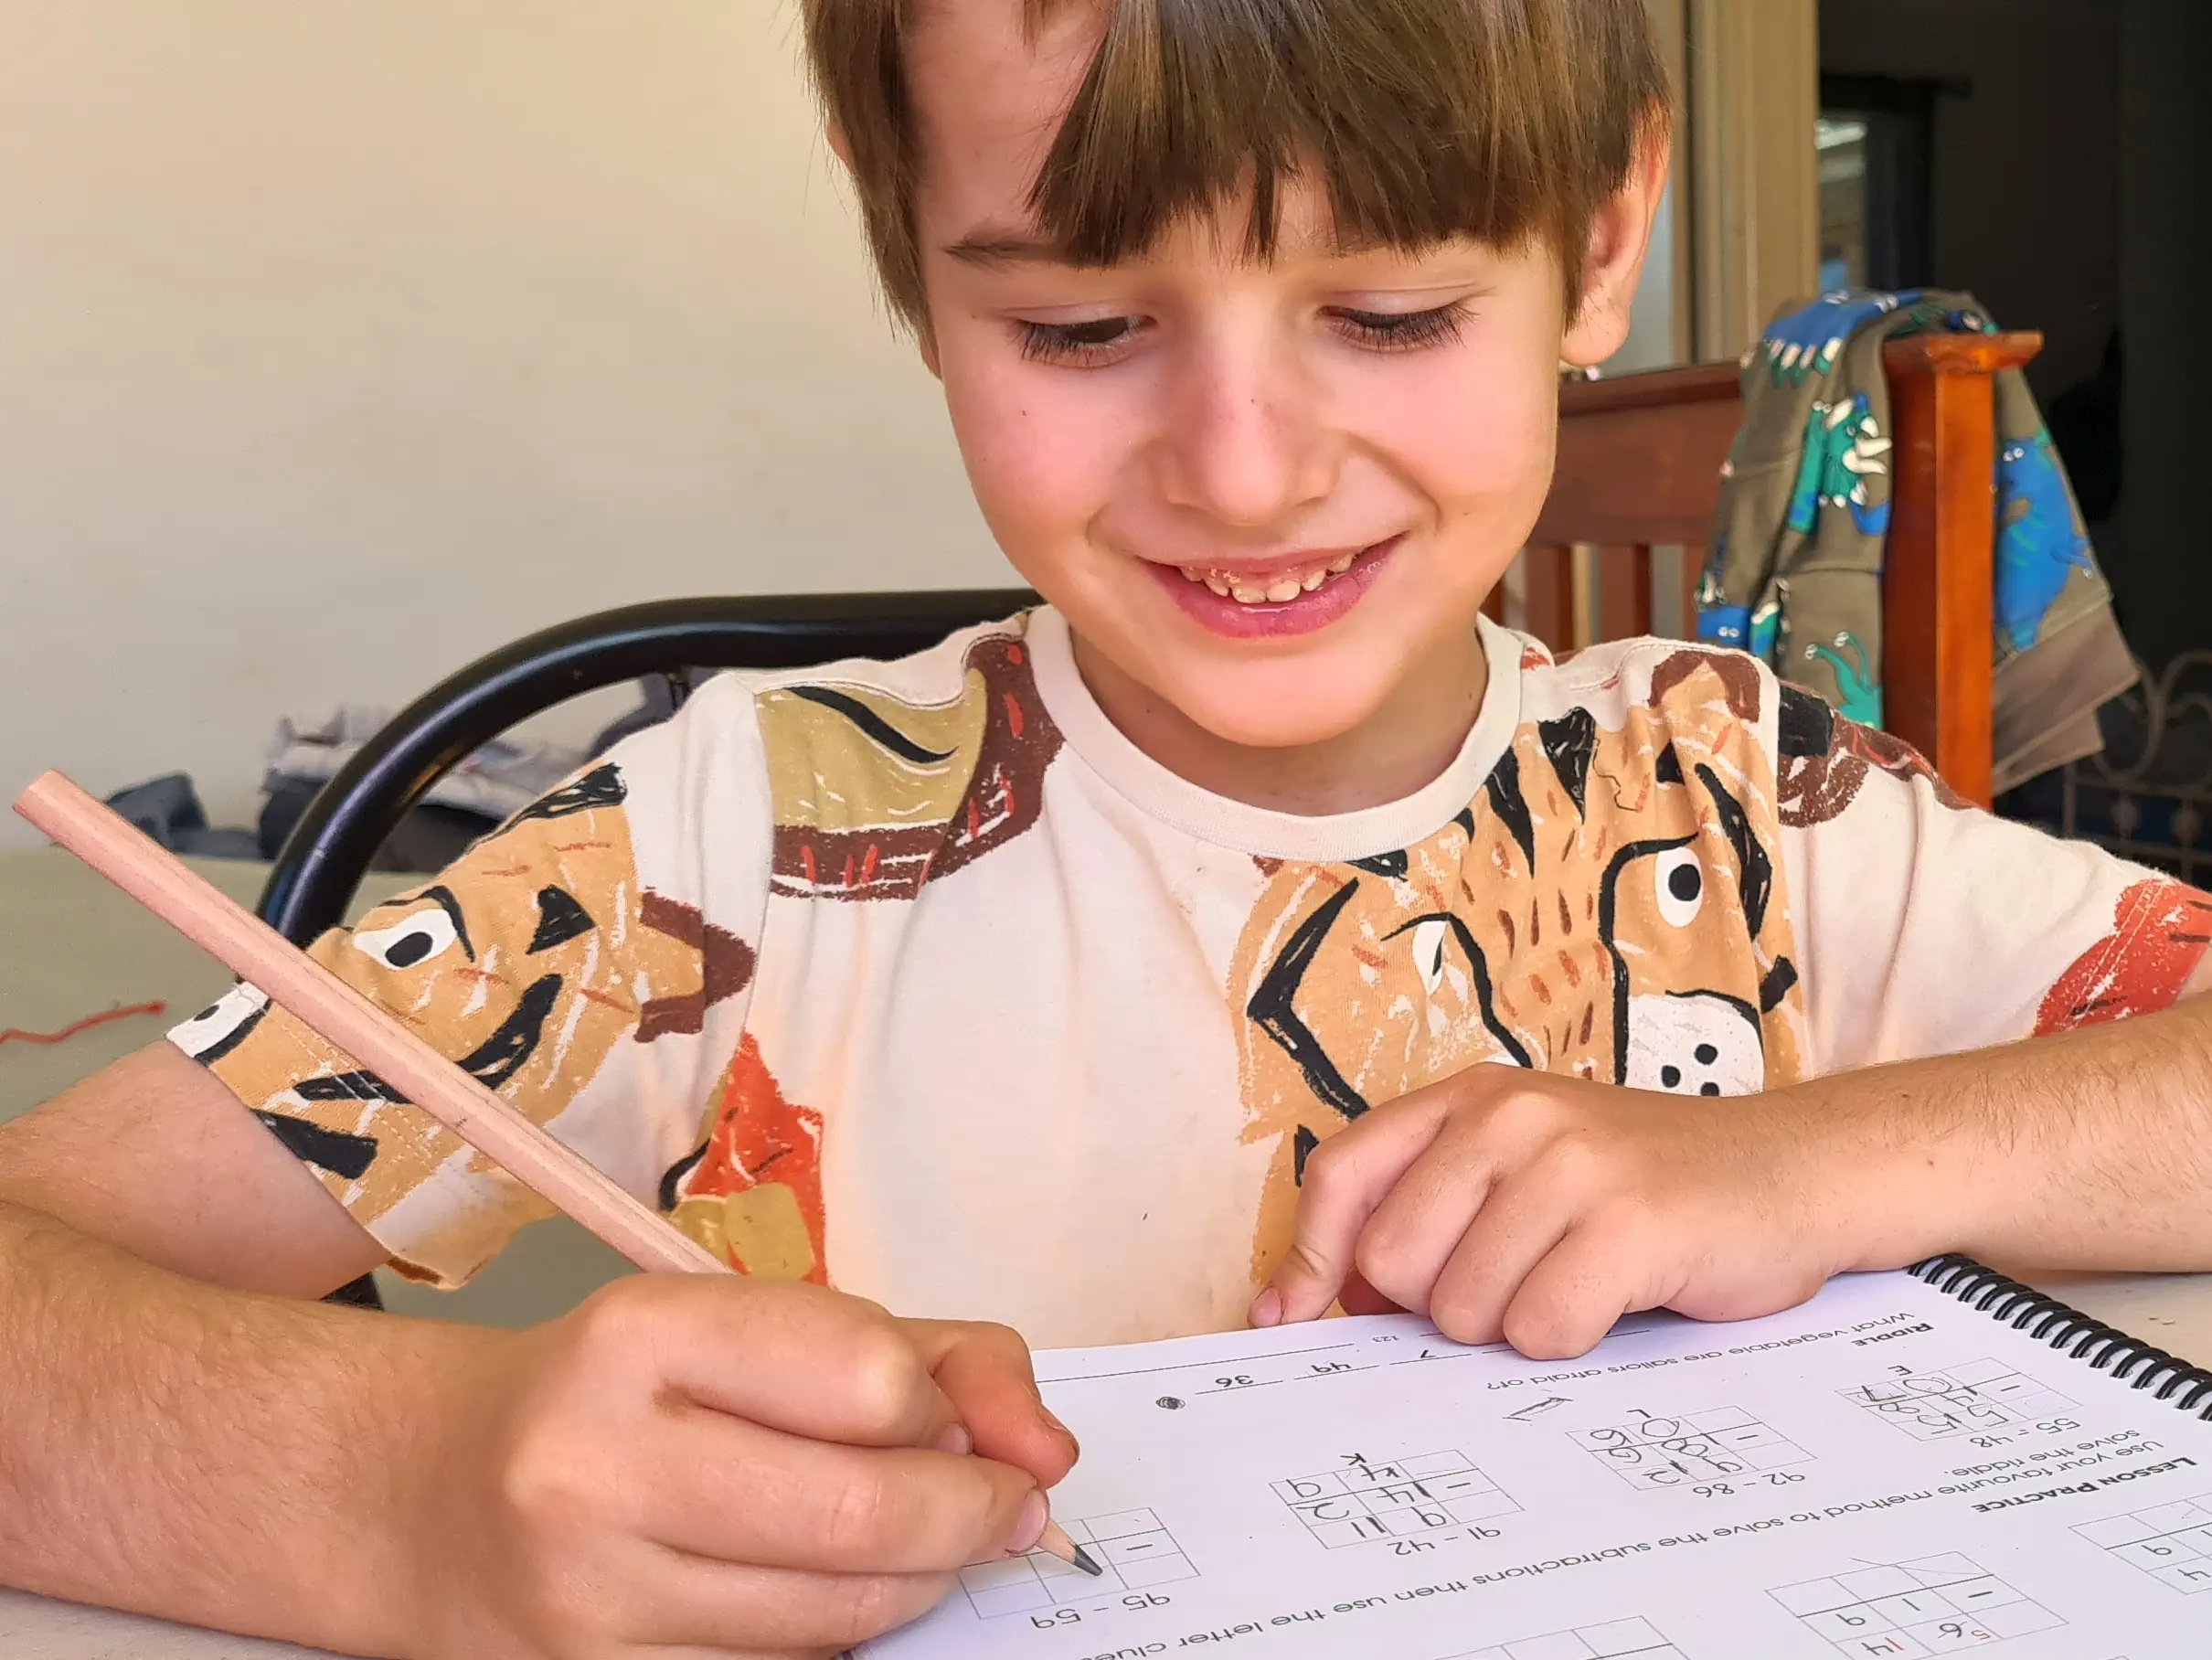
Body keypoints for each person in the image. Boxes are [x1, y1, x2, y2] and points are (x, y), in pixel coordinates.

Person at [5, 1, 2211, 1655]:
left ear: (1604, 232)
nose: (1243, 472)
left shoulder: (1741, 790)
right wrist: (419, 1489)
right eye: (1076, 319)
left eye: (1389, 308)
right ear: (915, 271)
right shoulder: (716, 845)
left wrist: (1802, 1160)